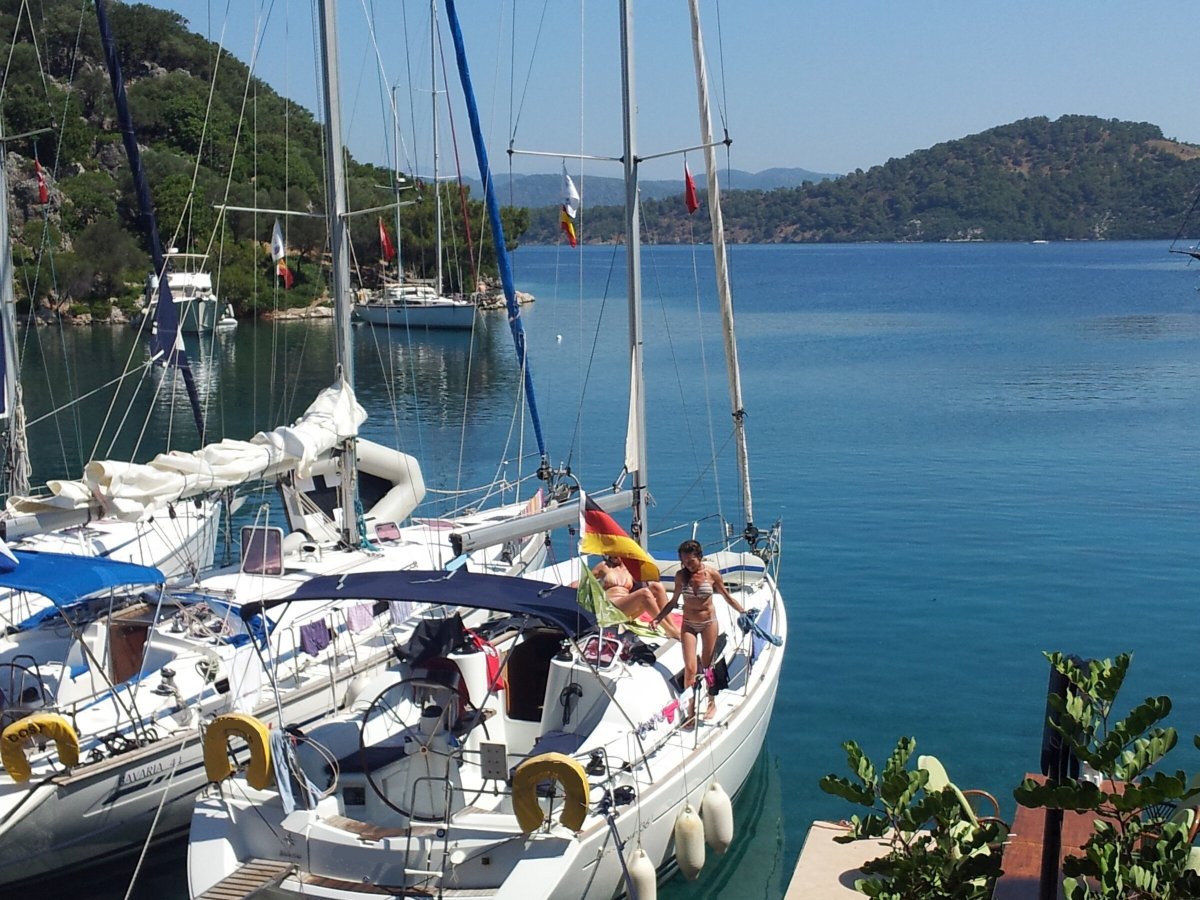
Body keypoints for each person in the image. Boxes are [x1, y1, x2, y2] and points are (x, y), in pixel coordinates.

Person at [653, 539, 746, 724]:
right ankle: (691, 711)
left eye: (691, 561)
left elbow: (727, 598)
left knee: (707, 666)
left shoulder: (712, 574)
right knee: (690, 669)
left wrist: (743, 612)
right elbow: (673, 601)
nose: (687, 565)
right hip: (688, 624)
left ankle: (711, 702)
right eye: (684, 562)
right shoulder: (681, 576)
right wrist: (658, 617)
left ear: (700, 557)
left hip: (708, 623)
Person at [592, 554, 680, 640]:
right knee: (644, 593)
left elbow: (646, 581)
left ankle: (672, 626)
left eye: (616, 553)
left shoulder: (630, 570)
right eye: (610, 554)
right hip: (611, 608)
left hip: (627, 611)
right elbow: (585, 580)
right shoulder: (604, 566)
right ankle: (667, 629)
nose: (612, 556)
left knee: (657, 586)